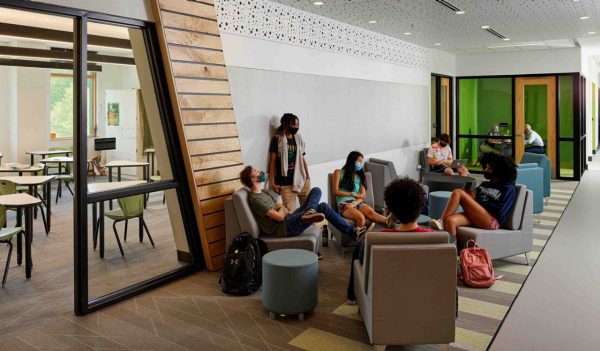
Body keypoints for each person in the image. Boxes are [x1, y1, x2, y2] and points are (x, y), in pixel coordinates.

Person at [346, 177, 434, 304]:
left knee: (360, 247)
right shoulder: (435, 239)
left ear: (391, 211)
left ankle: (352, 297)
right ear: (420, 206)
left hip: (383, 299)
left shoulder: (376, 240)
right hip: (424, 298)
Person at [240, 165, 369, 244]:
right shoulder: (255, 199)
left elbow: (280, 207)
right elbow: (279, 216)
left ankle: (310, 211)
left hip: (288, 219)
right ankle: (352, 232)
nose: (260, 171)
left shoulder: (263, 192)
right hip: (284, 228)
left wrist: (281, 210)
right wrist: (281, 210)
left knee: (316, 190)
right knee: (323, 206)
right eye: (256, 171)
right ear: (253, 179)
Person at [429, 152, 517, 238]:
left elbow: (501, 213)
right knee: (450, 221)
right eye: (486, 167)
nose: (485, 170)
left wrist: (478, 204)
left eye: (488, 168)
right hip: (477, 216)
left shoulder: (508, 188)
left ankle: (441, 222)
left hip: (491, 220)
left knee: (458, 192)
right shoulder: (485, 184)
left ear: (498, 171)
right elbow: (476, 200)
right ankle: (452, 250)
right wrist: (470, 197)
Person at [333, 151, 390, 228]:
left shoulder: (361, 176)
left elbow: (362, 196)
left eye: (361, 162)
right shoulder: (338, 172)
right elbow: (335, 192)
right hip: (344, 204)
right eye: (359, 161)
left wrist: (354, 203)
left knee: (371, 213)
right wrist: (353, 194)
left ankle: (390, 221)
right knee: (361, 218)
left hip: (357, 202)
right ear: (352, 161)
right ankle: (358, 239)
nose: (360, 164)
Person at [269, 113, 311, 212]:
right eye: (293, 125)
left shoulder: (299, 138)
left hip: (301, 180)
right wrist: (272, 183)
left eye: (297, 125)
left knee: (309, 212)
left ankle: (311, 227)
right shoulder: (277, 139)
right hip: (286, 184)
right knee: (290, 215)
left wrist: (308, 176)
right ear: (285, 124)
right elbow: (272, 162)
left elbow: (302, 159)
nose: (296, 127)